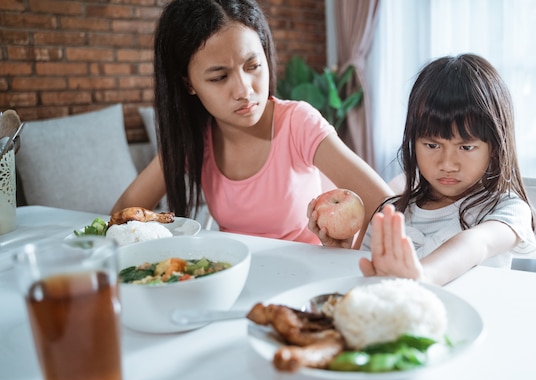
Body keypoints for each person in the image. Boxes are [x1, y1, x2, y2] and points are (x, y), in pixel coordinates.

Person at [111, 0, 392, 247]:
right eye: (219, 77)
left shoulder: (297, 123)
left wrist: (347, 255)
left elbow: (386, 205)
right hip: (234, 278)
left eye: (253, 66)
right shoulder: (194, 140)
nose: (244, 90)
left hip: (302, 280)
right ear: (189, 84)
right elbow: (122, 213)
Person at [358, 54, 536, 286]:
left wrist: (422, 277)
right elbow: (365, 280)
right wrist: (338, 251)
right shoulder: (391, 213)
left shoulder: (508, 209)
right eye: (432, 145)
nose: (447, 164)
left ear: (494, 147)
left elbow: (477, 243)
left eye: (466, 147)